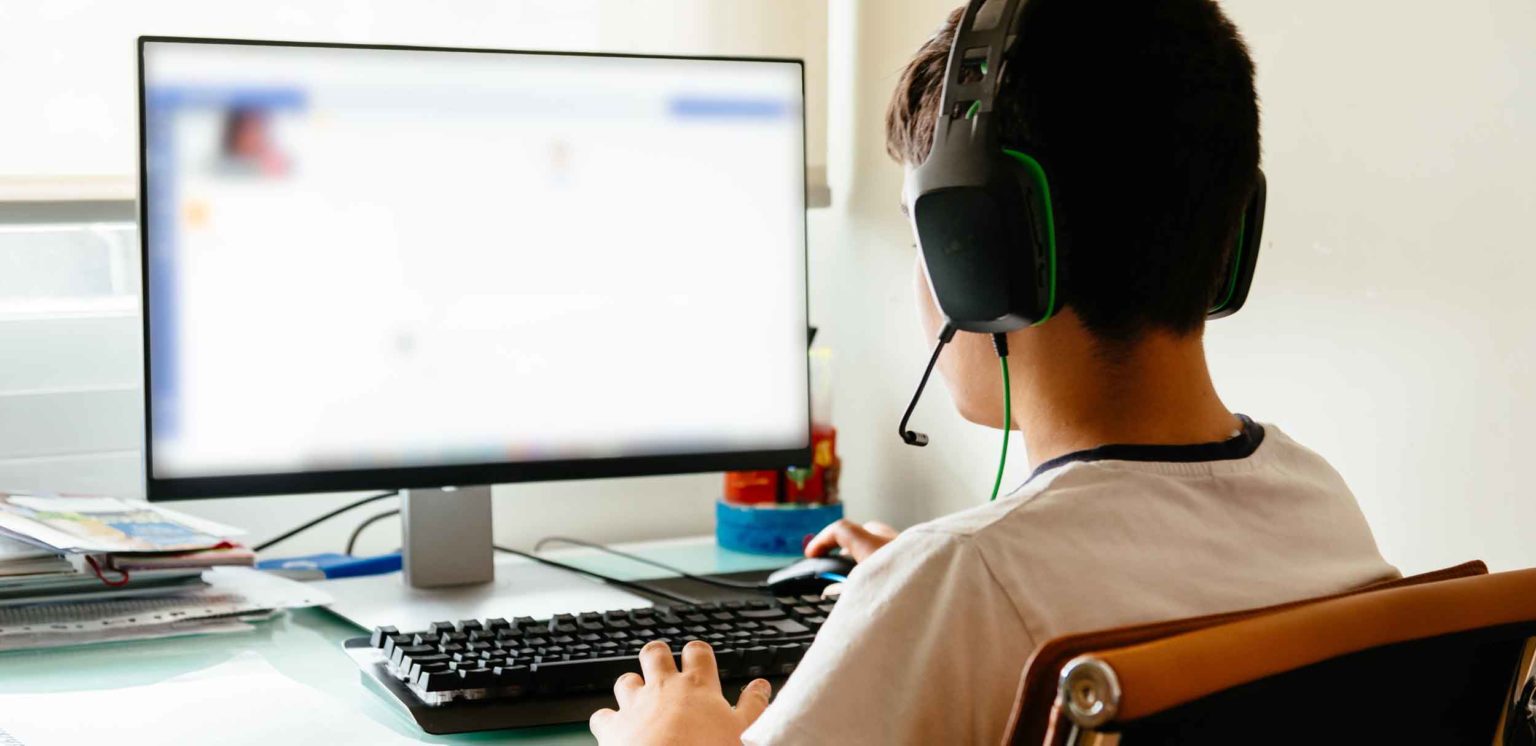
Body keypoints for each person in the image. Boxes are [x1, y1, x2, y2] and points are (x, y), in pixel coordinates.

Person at [589, 1, 1399, 743]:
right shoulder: (1322, 507)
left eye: (923, 240)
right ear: (1233, 231)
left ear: (978, 257)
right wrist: (925, 594)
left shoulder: (957, 584)